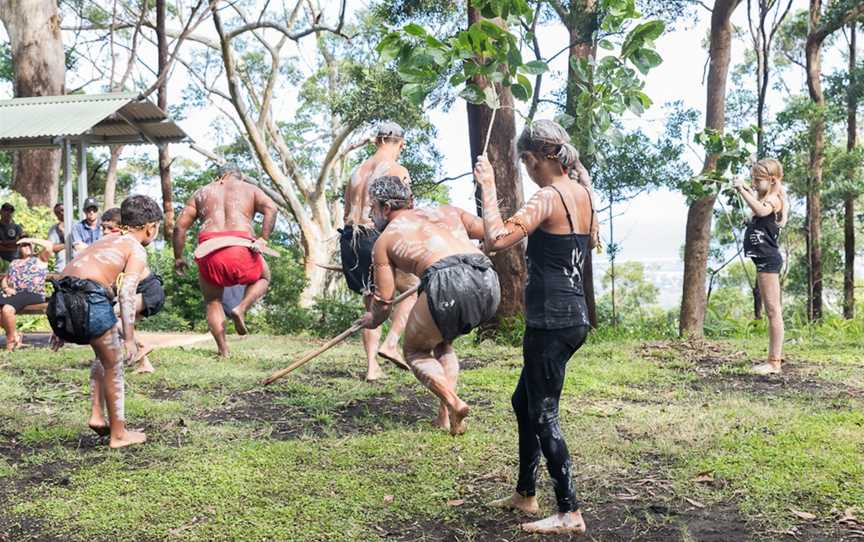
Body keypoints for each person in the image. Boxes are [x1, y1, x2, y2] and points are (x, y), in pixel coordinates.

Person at [477, 120, 598, 535]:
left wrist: (488, 186)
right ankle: (526, 493)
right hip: (571, 316)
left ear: (538, 158)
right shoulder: (582, 192)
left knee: (544, 412)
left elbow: (496, 238)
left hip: (551, 321)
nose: (525, 169)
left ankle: (569, 510)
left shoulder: (548, 197)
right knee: (522, 401)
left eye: (525, 161)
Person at [359, 176, 500, 435]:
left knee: (415, 351)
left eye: (373, 208)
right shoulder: (447, 210)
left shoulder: (385, 240)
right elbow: (494, 231)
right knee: (442, 342)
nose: (370, 214)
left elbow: (384, 302)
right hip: (489, 280)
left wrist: (371, 319)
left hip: (447, 283)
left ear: (386, 208)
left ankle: (454, 401)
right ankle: (446, 419)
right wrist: (488, 189)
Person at [46, 195, 162, 449]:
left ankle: (98, 416)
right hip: (87, 302)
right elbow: (127, 292)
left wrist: (59, 328)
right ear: (150, 227)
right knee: (114, 364)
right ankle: (119, 435)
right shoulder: (136, 248)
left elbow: (73, 275)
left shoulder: (105, 240)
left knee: (104, 355)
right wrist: (130, 338)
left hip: (59, 305)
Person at [173, 163, 277, 357]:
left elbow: (179, 227)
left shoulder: (201, 193)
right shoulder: (250, 188)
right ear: (240, 177)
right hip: (242, 247)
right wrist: (263, 238)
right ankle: (241, 307)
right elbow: (272, 207)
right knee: (264, 277)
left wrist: (178, 258)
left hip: (210, 251)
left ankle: (223, 350)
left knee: (213, 301)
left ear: (219, 177)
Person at [342, 122, 418, 380]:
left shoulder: (356, 171)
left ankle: (372, 367)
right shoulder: (397, 169)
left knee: (371, 301)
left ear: (376, 142)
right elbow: (406, 212)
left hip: (351, 238)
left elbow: (345, 214)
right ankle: (392, 343)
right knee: (411, 289)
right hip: (377, 236)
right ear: (401, 144)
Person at [733, 158, 788, 375]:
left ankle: (774, 362)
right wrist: (745, 189)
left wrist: (742, 191)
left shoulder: (774, 199)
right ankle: (773, 361)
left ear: (772, 180)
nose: (754, 183)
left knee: (773, 311)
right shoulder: (765, 195)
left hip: (768, 260)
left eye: (758, 180)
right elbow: (758, 213)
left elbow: (761, 210)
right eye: (753, 179)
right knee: (771, 310)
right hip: (763, 260)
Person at [0, 238, 52, 351]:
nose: (27, 246)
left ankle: (10, 340)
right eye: (24, 245)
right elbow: (5, 279)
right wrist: (6, 288)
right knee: (3, 309)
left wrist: (30, 239)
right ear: (19, 248)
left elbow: (49, 246)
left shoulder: (39, 259)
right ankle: (15, 335)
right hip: (15, 294)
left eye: (29, 245)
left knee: (7, 309)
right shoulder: (14, 262)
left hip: (33, 293)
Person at [47, 203, 67, 271]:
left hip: (76, 267)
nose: (61, 213)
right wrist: (68, 244)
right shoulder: (53, 229)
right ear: (56, 215)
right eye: (58, 212)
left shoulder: (77, 225)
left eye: (62, 210)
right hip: (61, 268)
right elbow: (51, 247)